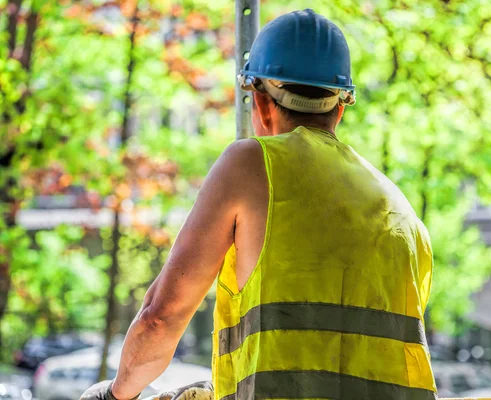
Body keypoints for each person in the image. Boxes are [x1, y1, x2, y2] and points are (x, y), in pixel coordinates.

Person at [82, 9, 436, 400]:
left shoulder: (251, 164)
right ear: (340, 106)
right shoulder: (402, 212)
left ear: (260, 102)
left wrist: (115, 395)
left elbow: (160, 319)